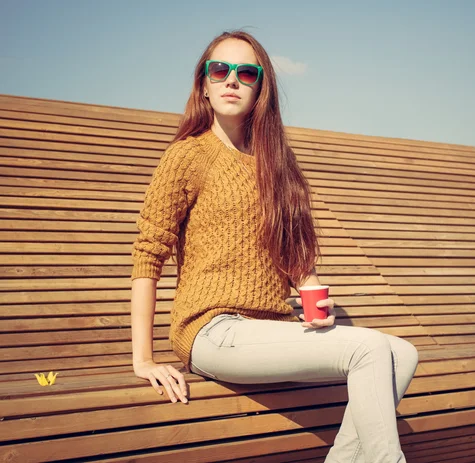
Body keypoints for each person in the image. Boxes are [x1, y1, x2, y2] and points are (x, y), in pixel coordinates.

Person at [131, 30, 418, 463]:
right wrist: (144, 360)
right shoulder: (187, 155)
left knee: (403, 352)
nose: (231, 80)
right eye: (219, 70)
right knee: (371, 349)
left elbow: (299, 263)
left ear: (260, 88)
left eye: (246, 72)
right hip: (212, 331)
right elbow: (147, 255)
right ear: (204, 85)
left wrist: (317, 309)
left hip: (270, 331)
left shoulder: (276, 165)